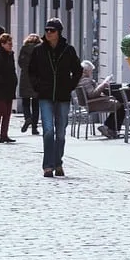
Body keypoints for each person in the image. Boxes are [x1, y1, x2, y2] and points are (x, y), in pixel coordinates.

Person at [29, 18, 82, 177]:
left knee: (60, 133)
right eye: (47, 30)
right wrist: (37, 86)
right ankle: (48, 166)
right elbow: (31, 71)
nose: (48, 33)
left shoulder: (68, 50)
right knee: (48, 131)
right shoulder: (38, 50)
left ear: (59, 32)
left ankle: (58, 162)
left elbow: (77, 70)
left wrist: (70, 85)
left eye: (52, 30)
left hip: (62, 96)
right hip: (45, 95)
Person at [76, 61, 124, 139]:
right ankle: (109, 128)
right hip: (94, 103)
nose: (92, 72)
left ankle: (109, 128)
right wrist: (104, 84)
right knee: (121, 106)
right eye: (91, 71)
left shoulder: (80, 79)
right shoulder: (85, 80)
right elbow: (92, 94)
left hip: (91, 103)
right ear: (86, 71)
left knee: (118, 104)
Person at [17, 34, 41, 135]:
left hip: (25, 78)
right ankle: (34, 128)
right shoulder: (40, 50)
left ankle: (28, 118)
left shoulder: (24, 49)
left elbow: (20, 63)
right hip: (36, 78)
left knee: (25, 102)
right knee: (36, 104)